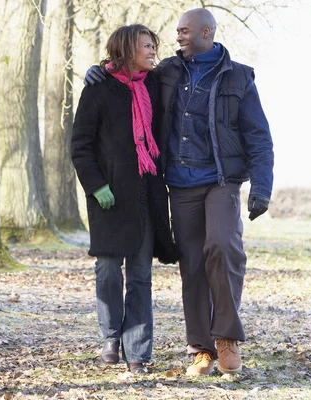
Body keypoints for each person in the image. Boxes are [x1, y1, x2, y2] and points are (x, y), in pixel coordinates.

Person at [84, 8, 274, 376]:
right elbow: (128, 78)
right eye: (177, 32)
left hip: (220, 180)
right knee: (192, 264)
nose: (178, 37)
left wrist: (262, 186)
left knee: (222, 247)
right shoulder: (167, 73)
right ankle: (201, 348)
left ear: (207, 32)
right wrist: (99, 72)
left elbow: (258, 136)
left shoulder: (238, 77)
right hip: (180, 183)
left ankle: (227, 338)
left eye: (184, 31)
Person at [71, 24, 179, 375]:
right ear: (127, 49)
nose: (152, 51)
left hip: (147, 194)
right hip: (110, 197)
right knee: (106, 269)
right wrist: (96, 185)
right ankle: (110, 335)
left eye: (154, 46)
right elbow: (81, 146)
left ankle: (138, 353)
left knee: (140, 275)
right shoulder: (99, 88)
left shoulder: (156, 83)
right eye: (146, 46)